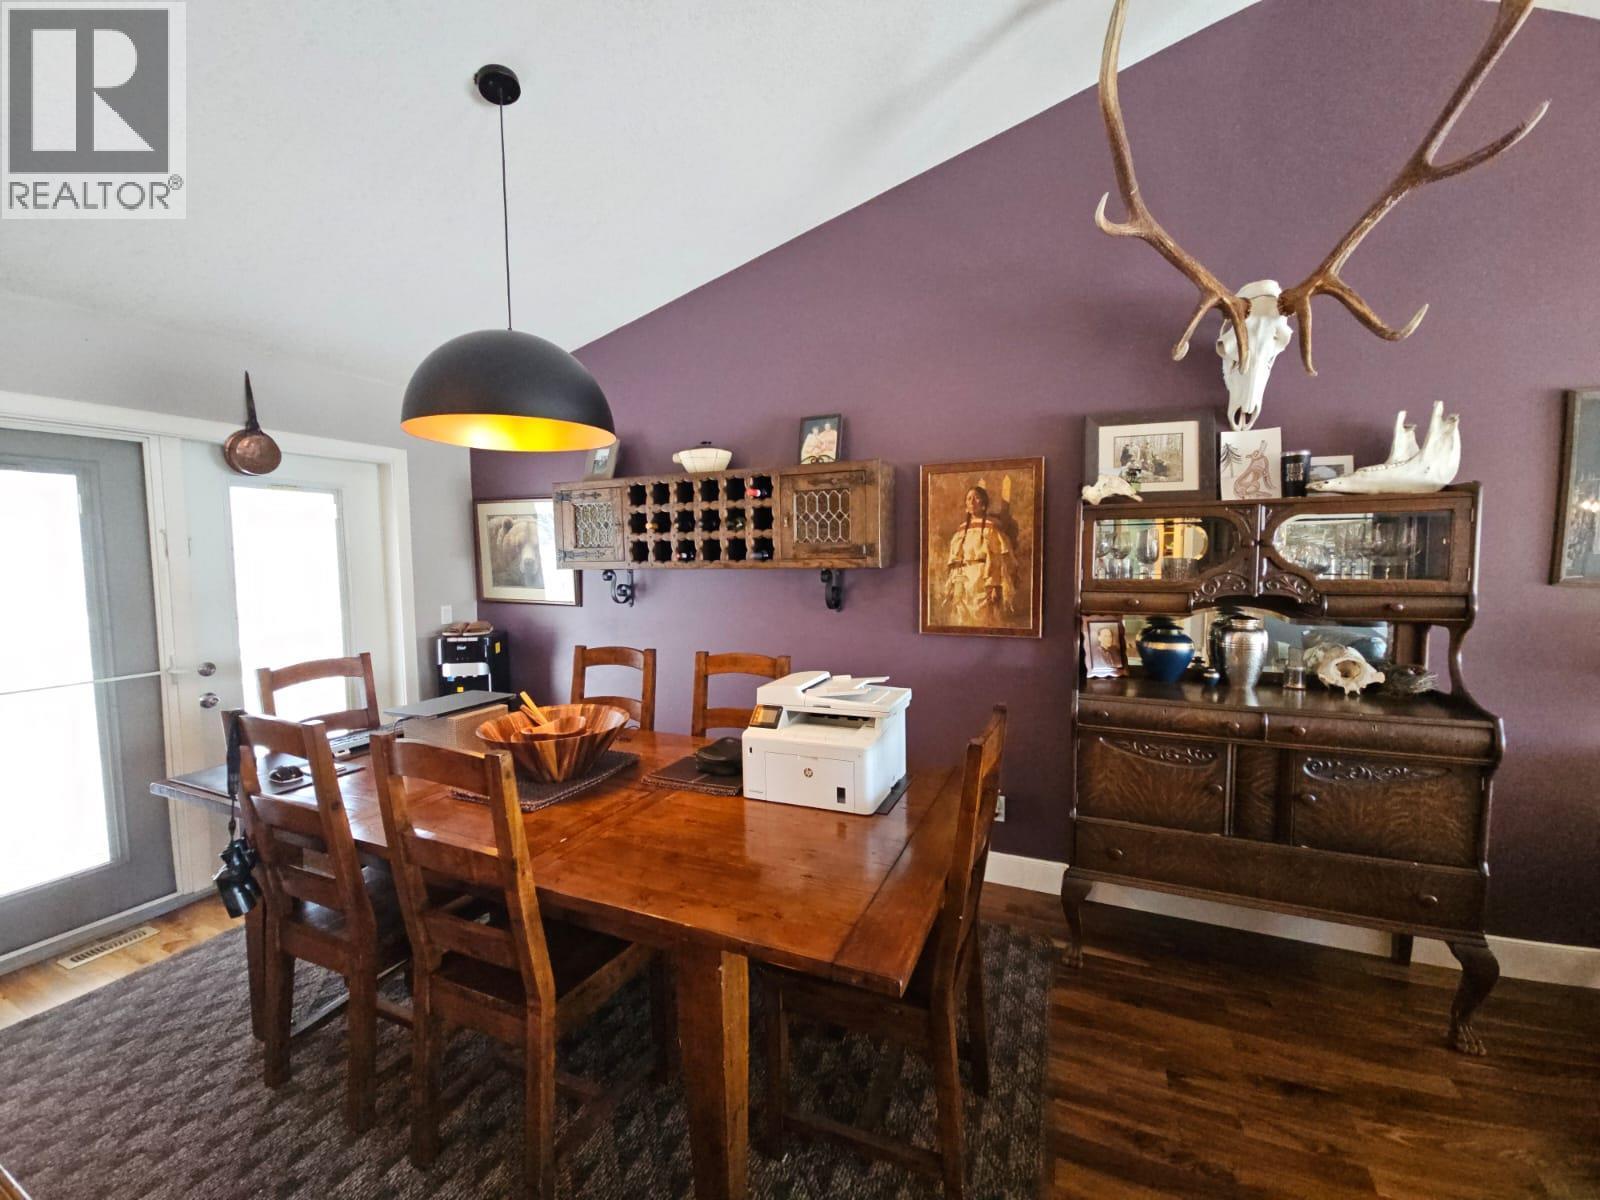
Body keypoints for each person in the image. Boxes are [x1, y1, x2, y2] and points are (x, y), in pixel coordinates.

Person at [943, 485, 1015, 625]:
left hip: (983, 579)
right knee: (962, 619)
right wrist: (956, 583)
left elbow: (996, 559)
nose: (972, 501)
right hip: (964, 580)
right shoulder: (961, 531)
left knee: (984, 619)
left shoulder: (991, 528)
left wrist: (994, 585)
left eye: (976, 498)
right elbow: (957, 560)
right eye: (969, 498)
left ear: (983, 504)